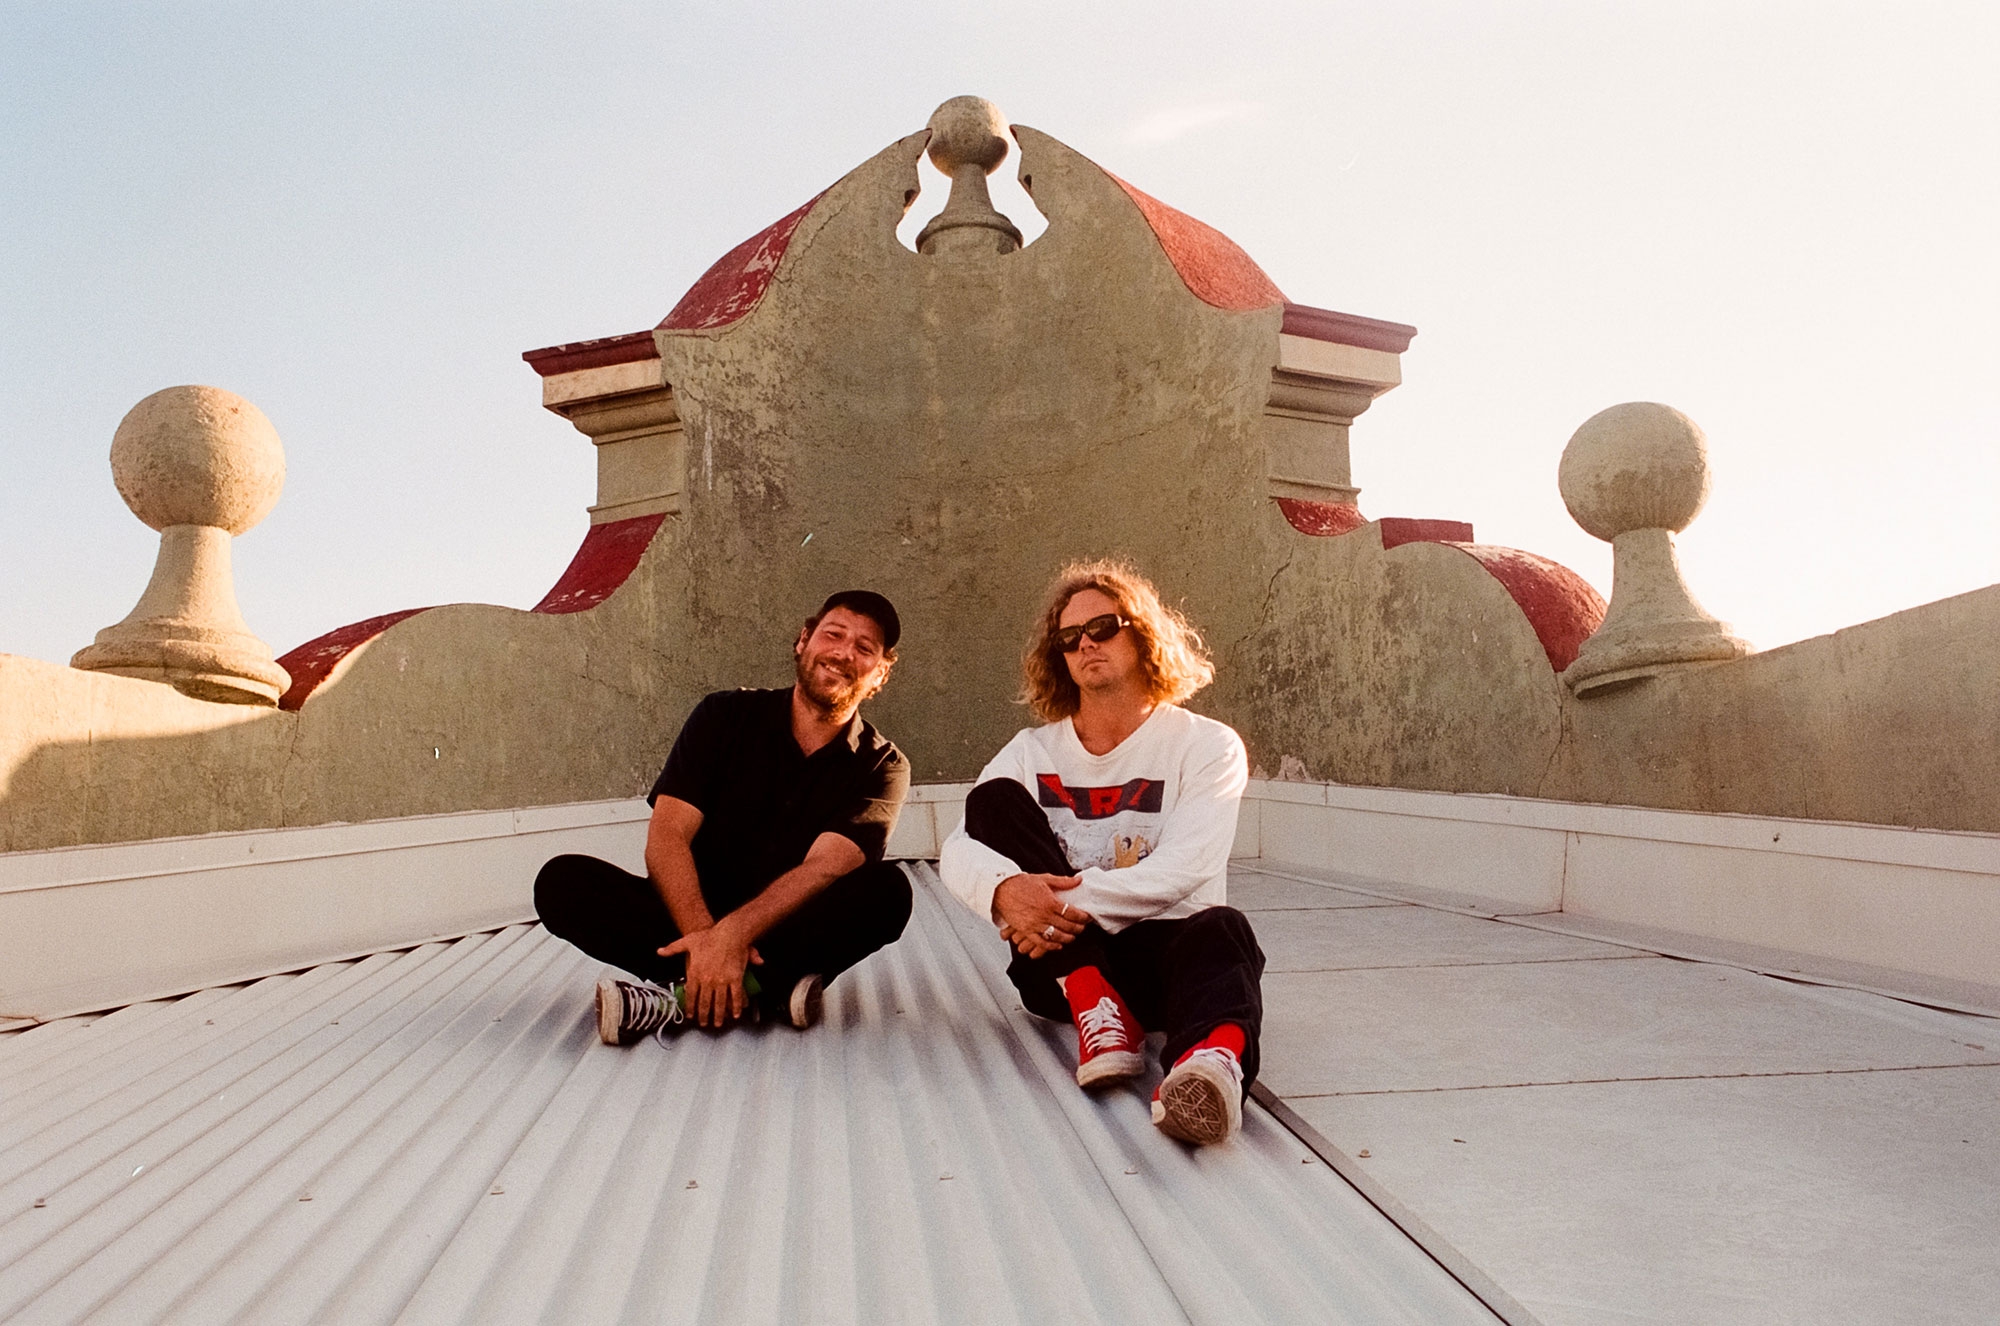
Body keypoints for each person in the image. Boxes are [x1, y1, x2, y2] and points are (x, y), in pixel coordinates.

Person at [938, 560, 1263, 1145]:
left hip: (1166, 964)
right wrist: (1004, 892)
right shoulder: (1031, 750)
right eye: (1069, 637)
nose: (1085, 643)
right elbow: (959, 848)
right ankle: (1096, 1004)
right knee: (992, 802)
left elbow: (1188, 866)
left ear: (1143, 635)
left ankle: (1209, 1070)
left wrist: (1046, 905)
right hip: (1060, 975)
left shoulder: (1206, 744)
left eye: (1103, 627)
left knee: (1225, 930)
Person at [535, 590, 913, 1044]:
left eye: (864, 647)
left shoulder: (883, 766)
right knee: (561, 883)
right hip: (685, 919)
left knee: (888, 893)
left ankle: (673, 1001)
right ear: (803, 640)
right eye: (833, 635)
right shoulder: (724, 716)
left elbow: (824, 868)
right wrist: (706, 942)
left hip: (786, 931)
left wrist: (732, 937)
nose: (843, 653)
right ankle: (769, 992)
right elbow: (668, 835)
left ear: (880, 674)